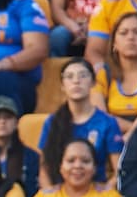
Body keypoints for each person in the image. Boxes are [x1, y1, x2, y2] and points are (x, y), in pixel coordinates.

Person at [39, 58, 124, 189]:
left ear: (93, 83)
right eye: (69, 77)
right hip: (60, 193)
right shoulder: (52, 121)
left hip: (96, 191)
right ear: (62, 86)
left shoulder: (107, 122)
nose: (76, 81)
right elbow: (43, 167)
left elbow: (118, 168)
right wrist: (50, 193)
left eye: (83, 75)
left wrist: (106, 190)